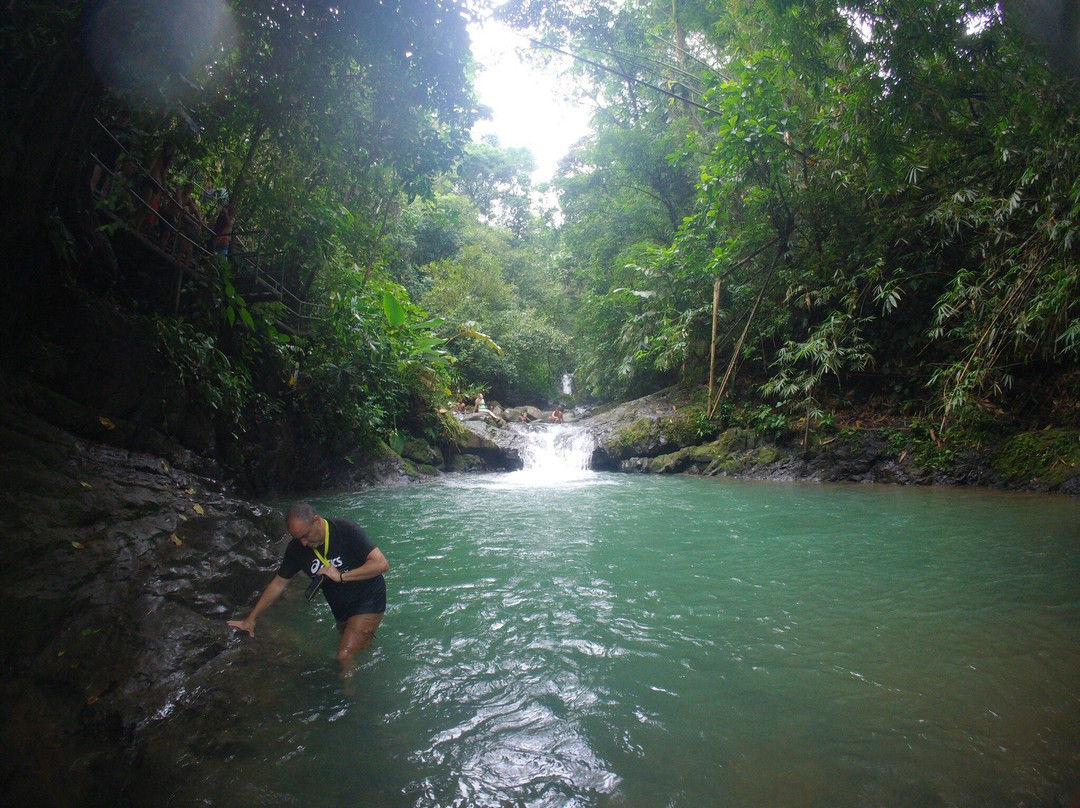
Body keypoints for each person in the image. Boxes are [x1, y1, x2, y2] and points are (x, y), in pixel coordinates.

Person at [227, 503, 389, 666]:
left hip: (368, 599)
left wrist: (341, 576)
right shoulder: (296, 549)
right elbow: (279, 583)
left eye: (306, 535)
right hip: (340, 607)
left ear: (317, 521)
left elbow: (381, 564)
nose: (303, 543)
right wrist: (251, 618)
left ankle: (350, 683)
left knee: (344, 655)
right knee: (355, 648)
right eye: (298, 538)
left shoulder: (345, 530)